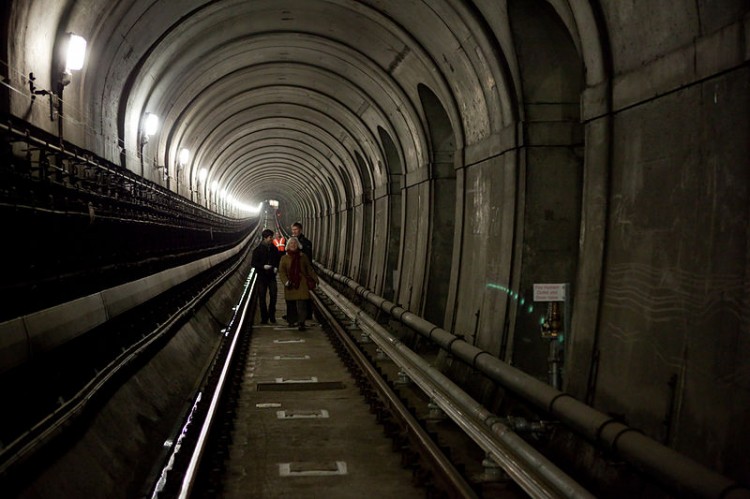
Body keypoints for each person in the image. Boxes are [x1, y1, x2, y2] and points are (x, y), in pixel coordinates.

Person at [279, 236, 318, 331]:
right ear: (288, 246)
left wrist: (315, 279)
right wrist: (286, 281)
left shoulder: (302, 256)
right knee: (291, 304)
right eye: (291, 244)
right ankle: (292, 321)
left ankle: (301, 322)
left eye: (295, 243)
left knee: (302, 304)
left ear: (298, 245)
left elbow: (308, 268)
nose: (293, 245)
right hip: (290, 283)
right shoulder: (284, 258)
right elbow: (282, 272)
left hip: (302, 283)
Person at [251, 228, 280, 324]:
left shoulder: (274, 249)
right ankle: (264, 317)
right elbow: (253, 263)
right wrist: (263, 266)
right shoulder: (257, 250)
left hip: (271, 276)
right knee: (262, 297)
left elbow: (277, 260)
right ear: (265, 238)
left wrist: (276, 267)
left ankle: (272, 315)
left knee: (273, 296)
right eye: (270, 237)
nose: (272, 239)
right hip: (262, 276)